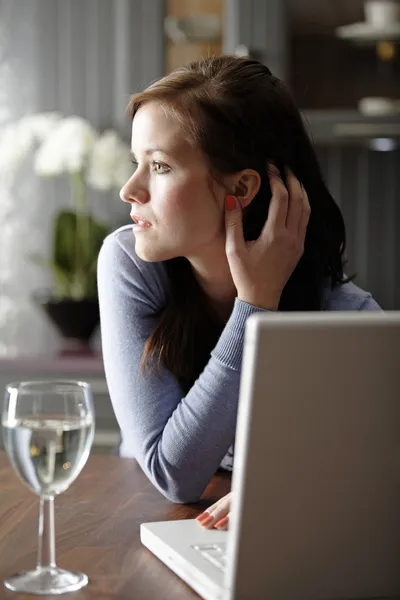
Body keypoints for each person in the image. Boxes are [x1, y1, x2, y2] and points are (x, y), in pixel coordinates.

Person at [97, 56, 381, 521]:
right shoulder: (129, 264)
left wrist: (291, 490)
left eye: (160, 167)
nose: (130, 189)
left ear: (243, 188)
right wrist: (254, 308)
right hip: (143, 522)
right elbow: (173, 475)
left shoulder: (346, 317)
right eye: (136, 163)